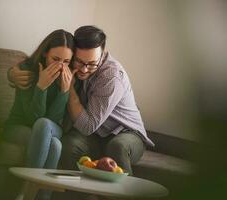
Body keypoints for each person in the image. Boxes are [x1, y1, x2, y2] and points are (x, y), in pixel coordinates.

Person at [9, 26, 154, 178]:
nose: (84, 70)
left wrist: (68, 88)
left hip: (125, 132)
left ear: (102, 55)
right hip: (96, 135)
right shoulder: (68, 65)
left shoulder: (111, 77)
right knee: (67, 144)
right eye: (79, 61)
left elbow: (87, 126)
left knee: (117, 146)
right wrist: (12, 74)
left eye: (92, 64)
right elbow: (33, 63)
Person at [4, 29, 74, 200]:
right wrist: (41, 88)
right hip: (19, 127)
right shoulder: (26, 70)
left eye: (66, 61)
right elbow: (33, 119)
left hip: (50, 128)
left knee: (44, 126)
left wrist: (64, 92)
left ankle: (24, 192)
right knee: (55, 145)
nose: (60, 66)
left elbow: (55, 120)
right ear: (45, 53)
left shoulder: (70, 75)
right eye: (55, 59)